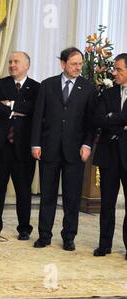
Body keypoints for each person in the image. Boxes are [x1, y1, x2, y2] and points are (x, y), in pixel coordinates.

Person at [31, 47, 97, 251]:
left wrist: (87, 144)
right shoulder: (47, 85)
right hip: (49, 148)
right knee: (48, 195)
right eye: (74, 64)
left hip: (75, 151)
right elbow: (38, 117)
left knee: (72, 196)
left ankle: (69, 237)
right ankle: (44, 235)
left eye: (80, 64)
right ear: (63, 64)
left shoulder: (88, 88)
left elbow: (91, 122)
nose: (78, 68)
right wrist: (36, 143)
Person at [0, 51, 40, 240]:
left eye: (16, 62)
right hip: (0, 146)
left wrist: (9, 104)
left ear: (27, 65)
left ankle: (24, 228)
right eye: (10, 62)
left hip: (24, 147)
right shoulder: (0, 84)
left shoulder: (36, 88)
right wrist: (15, 110)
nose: (12, 65)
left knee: (23, 190)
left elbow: (34, 109)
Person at [92, 53, 127, 261]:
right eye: (115, 69)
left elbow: (108, 119)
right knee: (106, 203)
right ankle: (104, 244)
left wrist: (112, 117)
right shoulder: (107, 93)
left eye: (119, 69)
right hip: (108, 155)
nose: (114, 73)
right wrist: (120, 121)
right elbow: (97, 119)